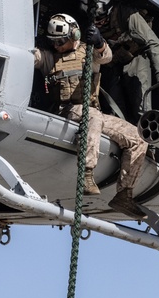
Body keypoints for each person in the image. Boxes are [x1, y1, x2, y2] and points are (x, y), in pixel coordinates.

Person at [34, 13, 148, 219]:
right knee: (93, 115)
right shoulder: (49, 58)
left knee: (137, 137)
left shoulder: (87, 52)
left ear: (74, 34)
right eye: (54, 42)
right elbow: (33, 57)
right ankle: (87, 173)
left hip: (93, 113)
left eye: (60, 40)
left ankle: (124, 194)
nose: (57, 45)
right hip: (67, 112)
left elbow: (106, 57)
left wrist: (99, 42)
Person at [82, 0, 159, 124]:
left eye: (100, 18)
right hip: (111, 63)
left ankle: (145, 140)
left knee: (141, 105)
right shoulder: (87, 29)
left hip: (135, 58)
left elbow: (153, 42)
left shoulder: (126, 14)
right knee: (113, 109)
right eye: (92, 19)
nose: (96, 22)